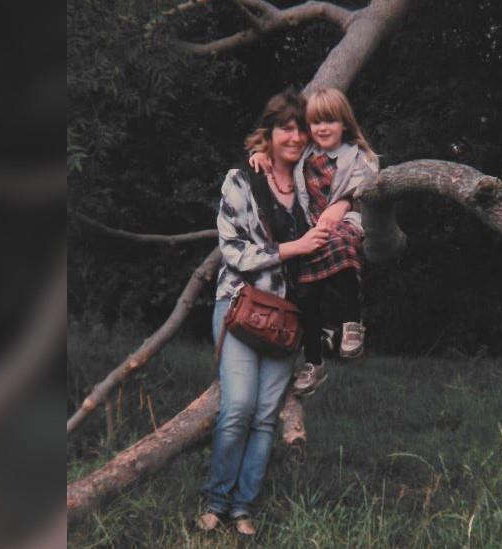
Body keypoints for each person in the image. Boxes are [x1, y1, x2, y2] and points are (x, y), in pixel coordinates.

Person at [197, 90, 329, 536]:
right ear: (268, 135)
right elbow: (233, 252)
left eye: (300, 128)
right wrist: (293, 247)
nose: (294, 136)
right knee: (237, 408)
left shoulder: (315, 186)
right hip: (241, 305)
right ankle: (216, 501)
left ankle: (243, 508)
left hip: (290, 316)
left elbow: (356, 174)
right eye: (284, 128)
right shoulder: (241, 180)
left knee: (265, 416)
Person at [249, 87, 379, 396]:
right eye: (316, 123)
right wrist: (261, 154)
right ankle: (314, 362)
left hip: (346, 224)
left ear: (345, 124)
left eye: (330, 122)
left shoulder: (358, 156)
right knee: (306, 292)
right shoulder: (305, 156)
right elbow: (282, 158)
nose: (322, 129)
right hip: (313, 230)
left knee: (344, 251)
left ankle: (352, 323)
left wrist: (345, 201)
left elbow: (369, 182)